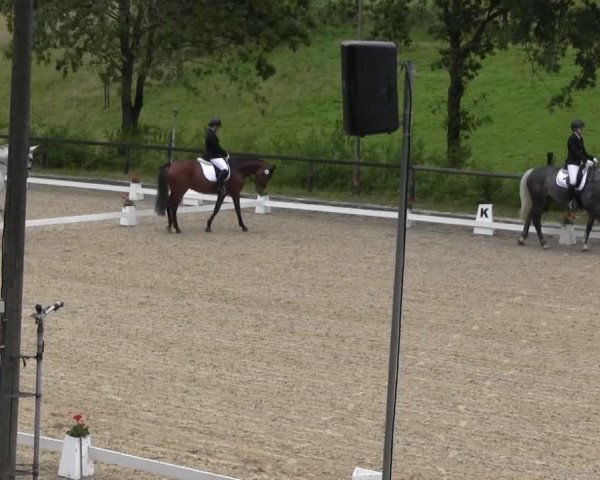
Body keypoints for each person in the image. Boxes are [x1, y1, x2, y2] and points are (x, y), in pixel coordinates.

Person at [565, 119, 597, 209]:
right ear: (575, 129)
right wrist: (586, 161)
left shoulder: (580, 138)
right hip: (572, 163)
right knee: (573, 181)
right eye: (580, 128)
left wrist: (592, 158)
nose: (581, 129)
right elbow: (575, 152)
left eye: (581, 128)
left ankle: (582, 199)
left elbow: (584, 152)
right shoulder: (571, 139)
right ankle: (570, 200)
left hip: (579, 163)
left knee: (586, 180)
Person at [204, 117, 229, 194]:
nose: (218, 129)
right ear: (214, 126)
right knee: (225, 168)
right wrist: (225, 153)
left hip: (214, 155)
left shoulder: (211, 133)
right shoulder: (211, 135)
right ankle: (218, 186)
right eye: (218, 127)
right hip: (213, 156)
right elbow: (217, 147)